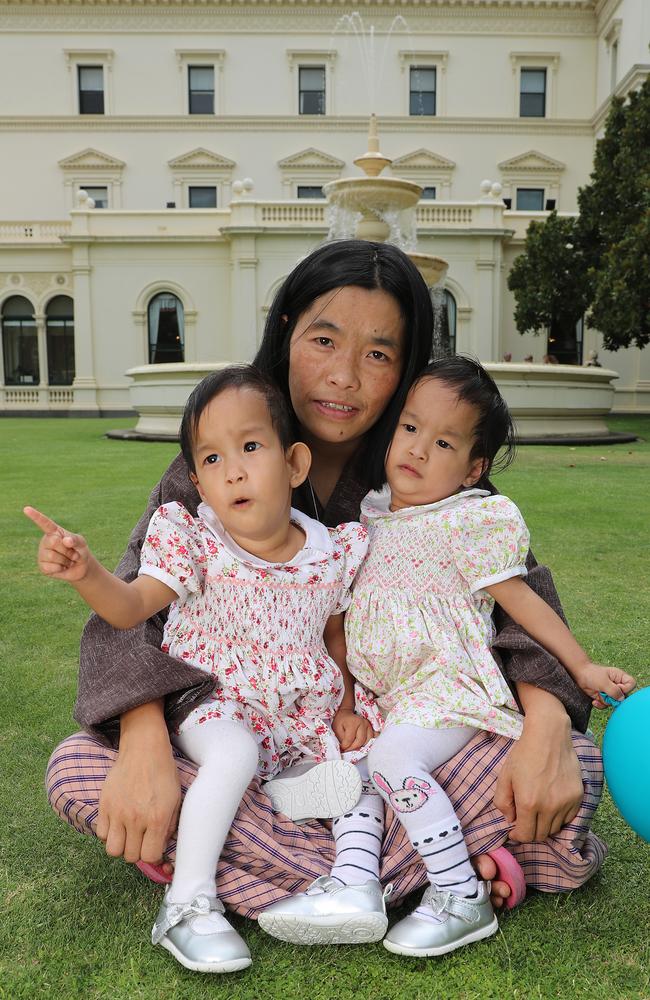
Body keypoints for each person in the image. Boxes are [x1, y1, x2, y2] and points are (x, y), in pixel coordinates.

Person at [46, 240, 604, 923]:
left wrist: (545, 725)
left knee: (572, 758)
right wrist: (141, 740)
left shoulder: (425, 474)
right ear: (285, 333)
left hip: (381, 747)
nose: (343, 376)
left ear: (405, 369)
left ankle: (251, 872)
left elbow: (520, 601)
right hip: (243, 745)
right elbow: (132, 609)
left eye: (378, 353)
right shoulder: (222, 461)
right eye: (324, 340)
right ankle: (435, 870)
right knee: (80, 769)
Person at [258, 357, 634, 956]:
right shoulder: (369, 520)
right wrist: (350, 703)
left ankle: (461, 893)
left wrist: (582, 666)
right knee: (354, 773)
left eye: (443, 442)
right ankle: (355, 885)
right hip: (393, 698)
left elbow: (525, 602)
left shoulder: (471, 519)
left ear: (472, 469)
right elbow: (342, 629)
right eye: (410, 429)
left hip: (448, 685)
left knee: (394, 761)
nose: (418, 450)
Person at [27, 365, 375, 973]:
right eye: (212, 460)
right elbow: (132, 606)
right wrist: (88, 575)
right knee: (234, 755)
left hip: (299, 718)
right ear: (197, 482)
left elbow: (336, 634)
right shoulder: (196, 540)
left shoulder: (333, 549)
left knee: (365, 769)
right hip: (214, 701)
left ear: (294, 464)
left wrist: (347, 706)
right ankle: (188, 903)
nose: (233, 470)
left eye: (250, 447)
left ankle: (332, 864)